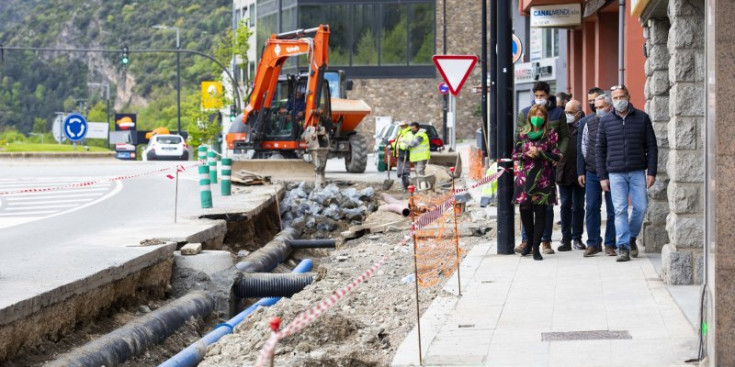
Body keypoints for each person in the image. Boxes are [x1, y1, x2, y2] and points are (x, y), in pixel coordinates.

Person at [596, 85, 658, 262]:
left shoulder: (642, 118)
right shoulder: (606, 121)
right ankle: (623, 246)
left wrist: (651, 171)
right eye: (615, 98)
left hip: (637, 171)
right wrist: (602, 176)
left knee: (641, 207)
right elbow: (599, 149)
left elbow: (651, 146)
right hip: (615, 173)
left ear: (628, 97)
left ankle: (631, 237)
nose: (618, 101)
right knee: (620, 209)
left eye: (621, 96)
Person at [514, 81, 569, 255]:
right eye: (536, 96)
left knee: (544, 208)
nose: (539, 99)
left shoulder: (558, 115)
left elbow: (564, 138)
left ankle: (544, 241)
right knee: (525, 208)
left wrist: (554, 155)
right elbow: (516, 149)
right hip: (526, 175)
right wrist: (526, 153)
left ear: (547, 94)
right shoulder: (524, 115)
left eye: (542, 96)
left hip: (545, 174)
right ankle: (526, 241)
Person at [578, 94, 617, 257]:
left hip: (614, 171)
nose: (598, 110)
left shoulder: (616, 122)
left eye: (602, 107)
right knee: (592, 207)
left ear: (610, 106)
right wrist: (582, 170)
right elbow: (584, 146)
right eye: (597, 107)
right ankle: (593, 242)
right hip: (592, 171)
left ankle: (610, 243)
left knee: (613, 209)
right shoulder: (588, 122)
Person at [556, 100, 586, 251]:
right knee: (565, 205)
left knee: (579, 207)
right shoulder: (561, 127)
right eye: (566, 112)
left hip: (581, 173)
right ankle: (565, 239)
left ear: (579, 113)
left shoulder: (585, 126)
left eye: (571, 112)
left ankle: (577, 238)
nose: (567, 115)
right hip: (564, 172)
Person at [391, 121, 412, 189]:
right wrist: (392, 144)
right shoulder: (400, 133)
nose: (402, 127)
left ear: (406, 125)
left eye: (403, 126)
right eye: (401, 126)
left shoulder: (408, 133)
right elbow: (397, 143)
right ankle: (402, 179)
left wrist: (401, 146)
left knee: (405, 167)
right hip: (400, 152)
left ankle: (406, 181)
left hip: (406, 152)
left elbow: (408, 143)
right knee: (400, 166)